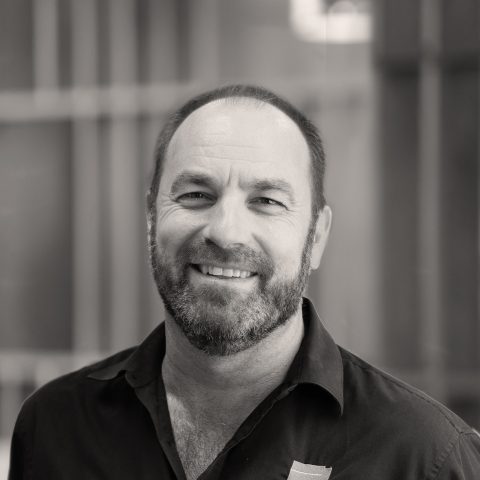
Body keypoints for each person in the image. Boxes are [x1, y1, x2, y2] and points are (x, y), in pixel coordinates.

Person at [9, 85, 480, 480]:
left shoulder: (422, 457)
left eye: (267, 201)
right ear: (152, 220)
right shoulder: (56, 426)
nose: (226, 231)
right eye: (196, 194)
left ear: (316, 237)